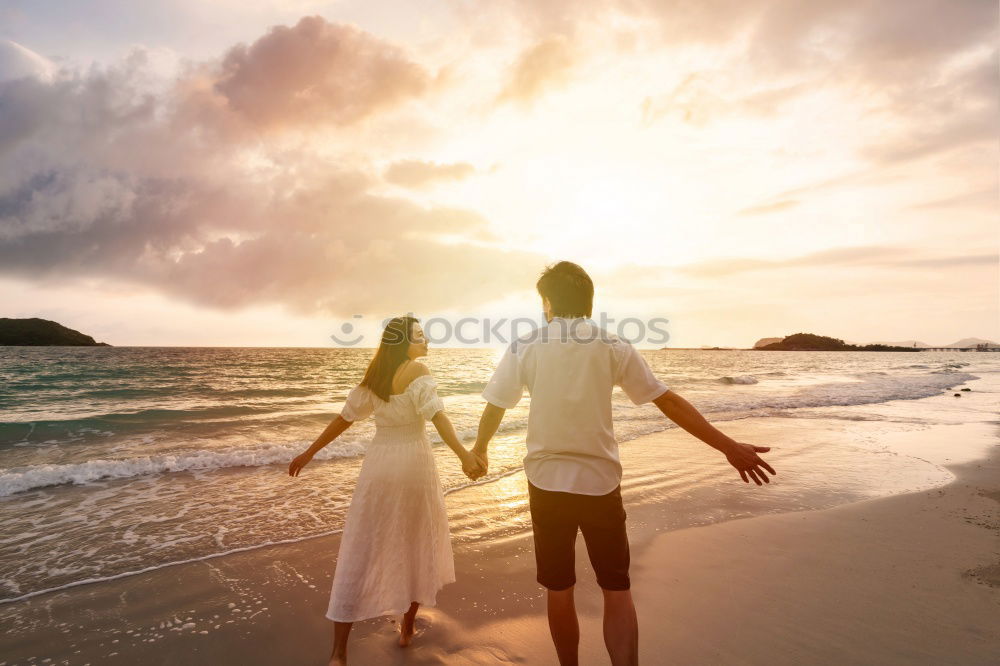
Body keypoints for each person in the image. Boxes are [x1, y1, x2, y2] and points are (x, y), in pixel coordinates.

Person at [470, 261, 776, 666]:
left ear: (545, 301)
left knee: (559, 590)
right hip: (599, 483)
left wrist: (481, 449)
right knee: (616, 588)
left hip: (546, 483)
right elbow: (665, 399)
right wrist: (726, 446)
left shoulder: (526, 344)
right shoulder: (613, 345)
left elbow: (496, 404)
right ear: (590, 302)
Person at [288, 316, 484, 666]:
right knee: (415, 543)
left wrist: (310, 451)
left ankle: (339, 652)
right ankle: (407, 630)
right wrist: (464, 455)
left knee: (359, 548)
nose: (426, 342)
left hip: (378, 467)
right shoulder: (419, 371)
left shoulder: (374, 378)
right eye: (420, 336)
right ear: (403, 343)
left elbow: (344, 418)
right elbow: (437, 416)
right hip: (414, 465)